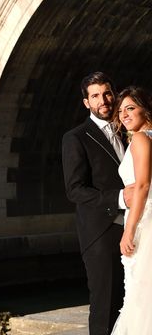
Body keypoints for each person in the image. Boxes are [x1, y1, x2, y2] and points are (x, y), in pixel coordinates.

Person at [62, 72, 131, 335]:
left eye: (107, 93)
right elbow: (75, 190)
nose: (103, 100)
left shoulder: (128, 129)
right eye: (95, 95)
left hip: (137, 228)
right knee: (106, 307)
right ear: (86, 102)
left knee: (134, 302)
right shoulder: (76, 137)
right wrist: (119, 198)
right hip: (102, 233)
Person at [110, 86, 152, 334]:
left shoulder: (140, 138)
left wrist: (129, 229)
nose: (123, 115)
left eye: (130, 108)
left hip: (144, 224)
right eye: (120, 110)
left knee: (141, 295)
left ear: (144, 108)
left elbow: (143, 185)